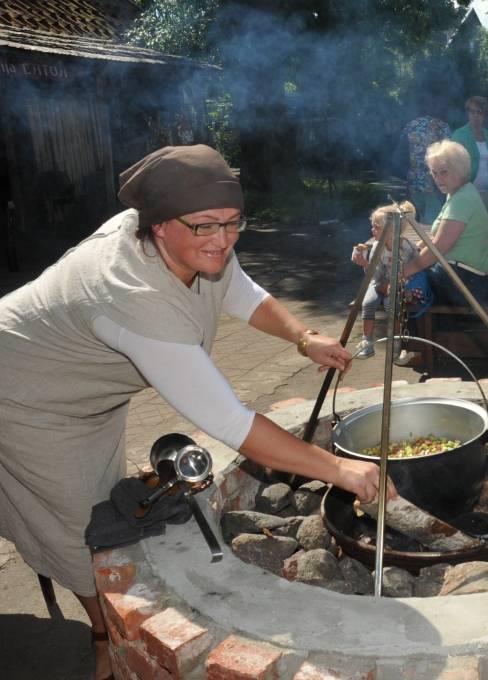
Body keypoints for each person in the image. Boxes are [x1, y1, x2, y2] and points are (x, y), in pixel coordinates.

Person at [0, 145, 396, 680]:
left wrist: (303, 337)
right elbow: (231, 422)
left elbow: (240, 290)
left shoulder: (192, 241)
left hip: (87, 396)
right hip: (25, 398)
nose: (223, 239)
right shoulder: (131, 292)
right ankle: (103, 636)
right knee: (77, 527)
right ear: (159, 226)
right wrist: (340, 469)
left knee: (95, 502)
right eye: (206, 226)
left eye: (233, 223)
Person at [403, 140, 488, 304]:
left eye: (444, 172)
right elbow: (437, 239)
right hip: (465, 277)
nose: (438, 178)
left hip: (466, 282)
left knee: (401, 287)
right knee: (402, 277)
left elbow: (437, 249)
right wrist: (414, 250)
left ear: (460, 170)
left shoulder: (462, 199)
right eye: (434, 173)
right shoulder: (458, 193)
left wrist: (401, 273)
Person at [351, 202, 432, 361]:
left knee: (391, 304)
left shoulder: (406, 246)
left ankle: (396, 342)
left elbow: (417, 267)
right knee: (368, 303)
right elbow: (376, 276)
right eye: (372, 226)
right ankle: (367, 342)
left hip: (400, 284)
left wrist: (402, 284)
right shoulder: (377, 247)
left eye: (376, 227)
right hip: (379, 283)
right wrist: (366, 264)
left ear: (391, 230)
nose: (372, 230)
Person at [400, 98, 452, 226]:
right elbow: (450, 154)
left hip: (414, 183)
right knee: (432, 224)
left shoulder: (410, 126)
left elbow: (401, 154)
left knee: (415, 224)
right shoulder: (442, 127)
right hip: (434, 184)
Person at [451, 96, 488, 216]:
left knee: (484, 225)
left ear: (484, 115)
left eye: (479, 112)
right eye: (472, 111)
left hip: (486, 193)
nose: (475, 115)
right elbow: (452, 164)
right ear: (468, 113)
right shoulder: (459, 134)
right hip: (465, 192)